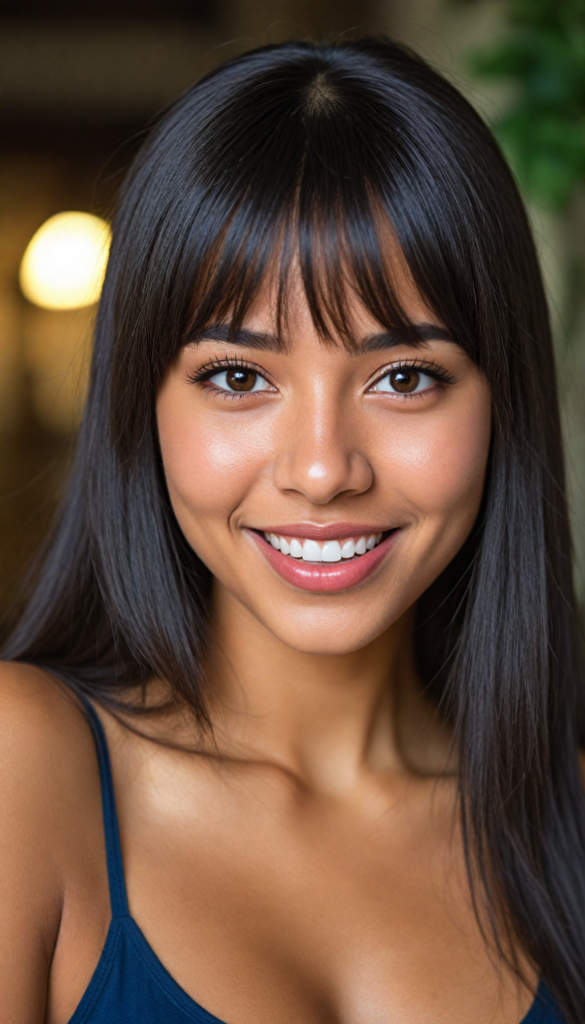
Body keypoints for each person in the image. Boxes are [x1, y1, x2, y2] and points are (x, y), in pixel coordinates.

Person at [1, 36, 583, 1024]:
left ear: (502, 407)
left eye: (404, 377)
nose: (321, 468)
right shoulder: (25, 768)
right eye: (239, 376)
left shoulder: (565, 824)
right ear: (141, 400)